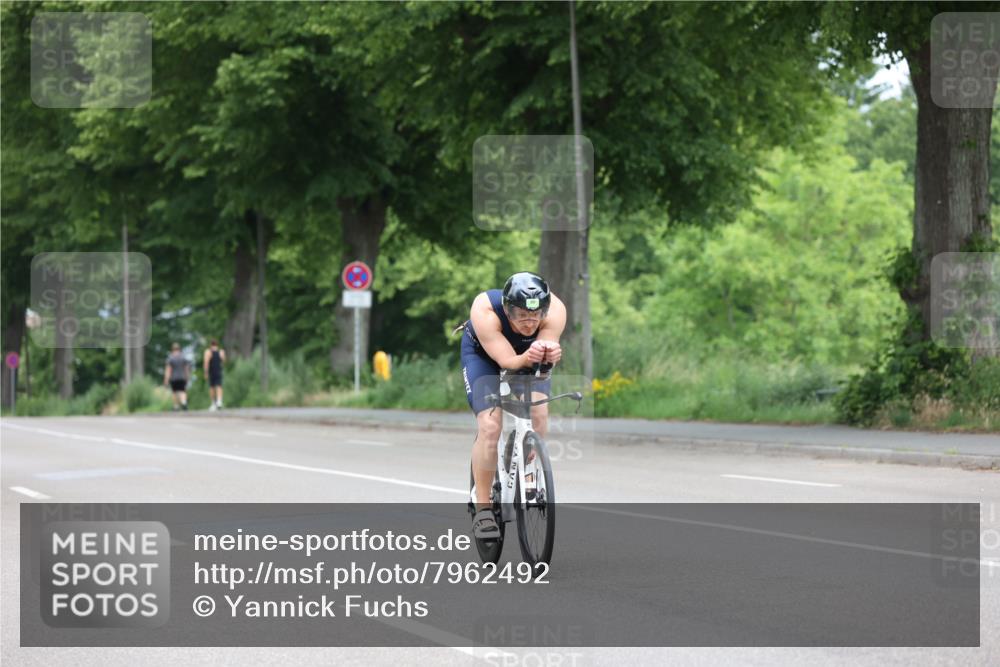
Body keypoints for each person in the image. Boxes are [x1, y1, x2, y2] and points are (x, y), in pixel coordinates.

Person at [458, 272, 566, 539]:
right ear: (507, 310)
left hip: (528, 357)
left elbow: (544, 356)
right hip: (485, 357)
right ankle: (483, 508)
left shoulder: (556, 309)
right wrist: (527, 356)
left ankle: (528, 474)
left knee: (540, 412)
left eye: (535, 315)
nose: (530, 323)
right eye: (521, 316)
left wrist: (549, 354)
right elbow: (507, 361)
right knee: (491, 425)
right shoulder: (484, 309)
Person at [163, 342, 190, 411]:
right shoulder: (183, 357)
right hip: (182, 377)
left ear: (172, 349)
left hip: (174, 378)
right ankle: (184, 402)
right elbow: (186, 368)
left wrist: (166, 379)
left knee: (174, 392)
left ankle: (176, 406)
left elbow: (168, 370)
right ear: (179, 349)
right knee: (183, 391)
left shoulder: (171, 358)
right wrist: (187, 377)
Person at [203, 339, 226, 410]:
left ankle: (213, 403)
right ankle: (219, 401)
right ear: (217, 345)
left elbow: (206, 362)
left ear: (211, 345)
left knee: (212, 387)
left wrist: (206, 372)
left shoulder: (208, 352)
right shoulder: (221, 351)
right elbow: (223, 361)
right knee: (219, 386)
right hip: (219, 370)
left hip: (212, 371)